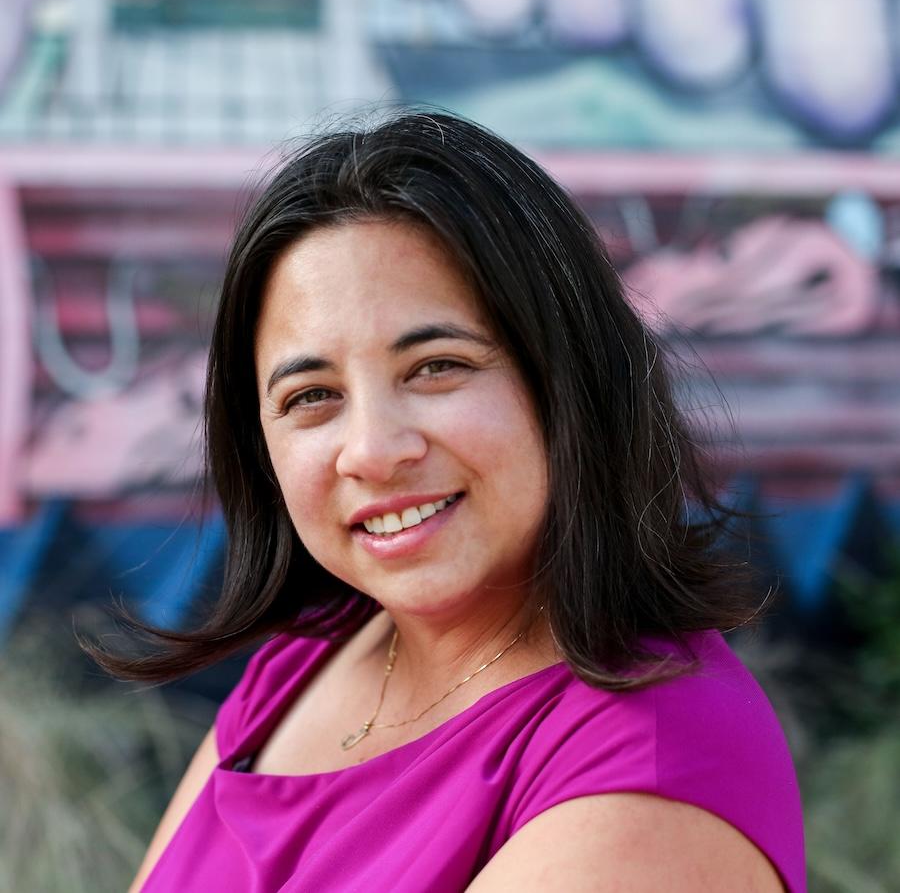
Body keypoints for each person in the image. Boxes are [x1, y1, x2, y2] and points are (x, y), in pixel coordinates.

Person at [94, 111, 804, 891]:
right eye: (312, 396)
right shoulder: (298, 663)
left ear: (567, 378)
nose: (371, 450)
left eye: (436, 367)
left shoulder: (653, 764)